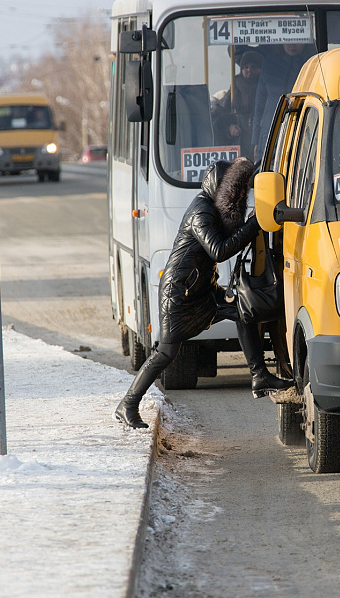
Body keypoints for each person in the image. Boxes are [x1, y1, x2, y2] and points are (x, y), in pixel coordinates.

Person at [114, 157, 293, 429]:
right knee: (165, 353)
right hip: (180, 294)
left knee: (244, 312)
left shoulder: (212, 209)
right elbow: (218, 250)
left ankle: (260, 376)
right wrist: (254, 224)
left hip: (201, 289)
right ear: (216, 187)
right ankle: (127, 404)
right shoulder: (201, 211)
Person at [250, 43, 314, 159]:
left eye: (297, 41)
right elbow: (259, 106)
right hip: (270, 130)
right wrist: (255, 140)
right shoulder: (269, 64)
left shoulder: (311, 64)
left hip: (301, 127)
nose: (292, 46)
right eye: (287, 41)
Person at [212, 50, 263, 150]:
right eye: (246, 67)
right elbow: (219, 115)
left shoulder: (266, 88)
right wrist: (229, 128)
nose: (249, 70)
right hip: (239, 142)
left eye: (254, 67)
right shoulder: (235, 87)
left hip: (261, 139)